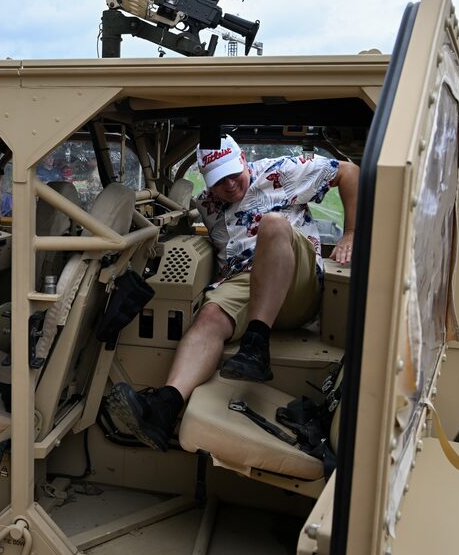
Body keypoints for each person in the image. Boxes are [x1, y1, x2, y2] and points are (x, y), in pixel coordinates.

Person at [108, 135, 359, 451]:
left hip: (297, 280)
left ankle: (256, 347)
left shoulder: (280, 171)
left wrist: (350, 233)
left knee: (273, 223)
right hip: (247, 281)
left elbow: (350, 172)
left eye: (232, 173)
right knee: (211, 314)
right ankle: (165, 406)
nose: (228, 185)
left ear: (242, 159)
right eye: (218, 180)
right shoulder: (207, 204)